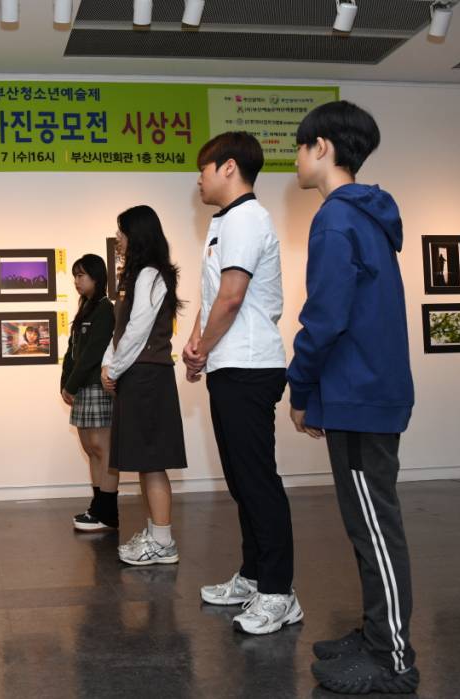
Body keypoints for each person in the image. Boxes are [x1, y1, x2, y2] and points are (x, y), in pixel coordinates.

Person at [288, 101, 418, 694]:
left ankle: (393, 658)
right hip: (363, 392)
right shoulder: (364, 216)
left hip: (360, 395)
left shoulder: (336, 219)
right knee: (366, 524)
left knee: (375, 528)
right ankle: (374, 634)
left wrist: (300, 385)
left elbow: (325, 317)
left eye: (299, 147)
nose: (295, 159)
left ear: (321, 147)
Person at [182, 131, 302, 635]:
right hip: (229, 364)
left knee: (257, 480)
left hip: (250, 365)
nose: (198, 179)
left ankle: (279, 593)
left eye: (203, 169)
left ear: (228, 167)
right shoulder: (224, 222)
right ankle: (253, 577)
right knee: (240, 481)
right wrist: (196, 345)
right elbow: (213, 297)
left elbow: (232, 298)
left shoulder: (248, 218)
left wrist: (203, 348)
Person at [101, 205, 188, 566]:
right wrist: (109, 364)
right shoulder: (137, 276)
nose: (117, 239)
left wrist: (114, 369)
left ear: (137, 234)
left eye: (121, 232)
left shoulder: (151, 274)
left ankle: (163, 541)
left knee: (152, 462)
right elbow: (121, 330)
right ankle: (155, 534)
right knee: (144, 461)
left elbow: (138, 330)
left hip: (148, 377)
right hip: (138, 376)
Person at [60, 254, 118, 531]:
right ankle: (97, 508)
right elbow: (72, 351)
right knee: (90, 449)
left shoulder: (105, 309)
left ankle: (108, 512)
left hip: (96, 385)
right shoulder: (85, 308)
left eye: (81, 275)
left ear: (96, 277)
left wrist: (71, 384)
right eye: (75, 275)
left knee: (102, 449)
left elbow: (94, 353)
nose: (76, 281)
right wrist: (65, 382)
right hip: (82, 386)